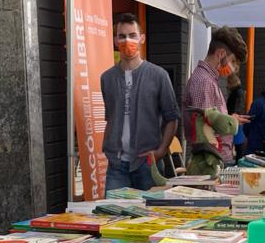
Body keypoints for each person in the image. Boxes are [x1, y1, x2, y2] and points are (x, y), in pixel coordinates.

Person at [100, 12, 180, 191]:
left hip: (147, 163)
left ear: (142, 38)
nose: (127, 40)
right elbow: (110, 117)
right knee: (111, 214)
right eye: (122, 36)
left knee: (151, 217)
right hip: (116, 165)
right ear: (115, 40)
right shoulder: (106, 78)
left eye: (132, 35)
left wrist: (160, 151)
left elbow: (172, 118)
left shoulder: (159, 75)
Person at [182, 26, 249, 166]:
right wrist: (231, 122)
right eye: (233, 61)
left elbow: (211, 119)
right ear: (221, 54)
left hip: (216, 158)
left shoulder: (208, 80)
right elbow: (204, 130)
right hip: (212, 161)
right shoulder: (204, 82)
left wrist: (230, 119)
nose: (233, 68)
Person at [226, 72, 248, 159]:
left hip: (235, 119)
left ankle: (238, 161)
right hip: (238, 119)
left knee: (237, 143)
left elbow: (235, 107)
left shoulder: (235, 93)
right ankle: (238, 160)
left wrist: (231, 114)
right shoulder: (240, 92)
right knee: (239, 143)